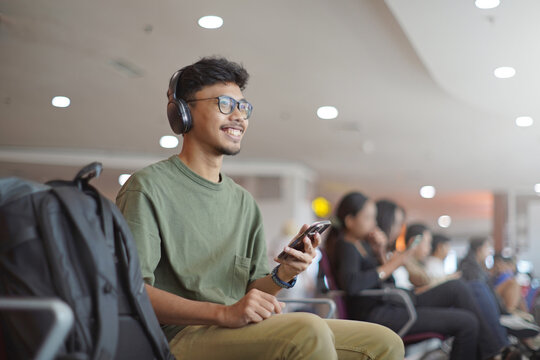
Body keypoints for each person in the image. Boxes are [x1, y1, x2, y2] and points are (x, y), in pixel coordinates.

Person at [116, 57, 403, 360]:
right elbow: (132, 291)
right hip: (177, 338)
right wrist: (224, 314)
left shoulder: (244, 203)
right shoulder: (147, 188)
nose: (239, 116)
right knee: (308, 331)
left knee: (385, 342)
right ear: (184, 112)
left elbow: (254, 291)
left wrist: (285, 272)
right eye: (225, 104)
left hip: (237, 330)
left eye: (243, 107)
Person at [325, 192, 513, 360]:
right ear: (350, 221)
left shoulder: (363, 246)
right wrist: (394, 263)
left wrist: (380, 251)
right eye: (368, 218)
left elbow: (385, 280)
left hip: (393, 304)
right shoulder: (346, 246)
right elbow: (352, 284)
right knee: (467, 322)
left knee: (457, 287)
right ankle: (494, 351)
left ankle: (494, 349)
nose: (374, 223)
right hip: (380, 314)